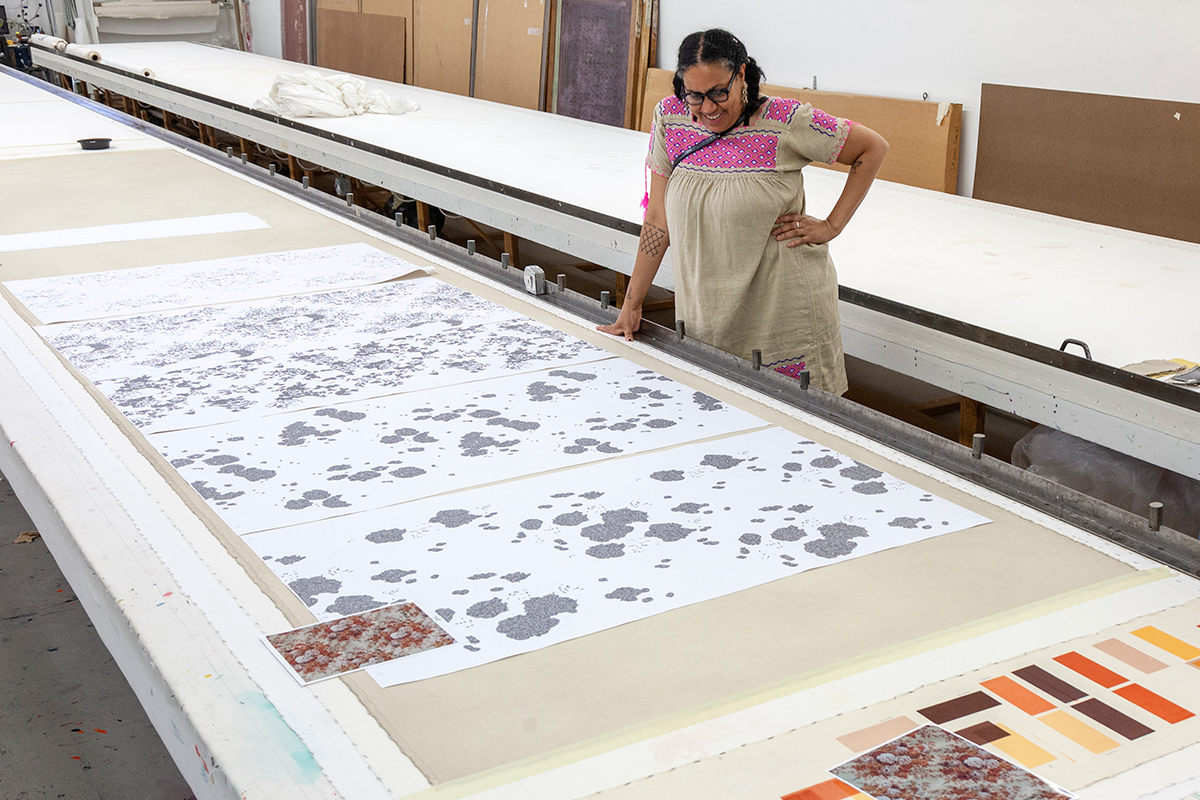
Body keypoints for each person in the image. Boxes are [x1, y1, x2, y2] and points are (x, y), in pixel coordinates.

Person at [598, 28, 888, 395]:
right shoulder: (670, 119)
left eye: (720, 92)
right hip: (709, 312)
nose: (707, 108)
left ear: (743, 75)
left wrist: (833, 225)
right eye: (695, 96)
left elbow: (872, 148)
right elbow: (658, 219)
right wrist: (632, 304)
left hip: (782, 315)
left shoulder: (784, 120)